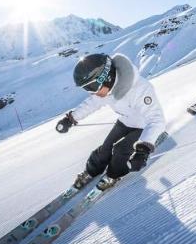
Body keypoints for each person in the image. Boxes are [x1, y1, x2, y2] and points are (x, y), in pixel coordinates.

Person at [56, 53, 166, 191]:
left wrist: (143, 150)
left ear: (106, 78)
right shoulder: (106, 89)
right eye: (87, 88)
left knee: (120, 151)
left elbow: (157, 120)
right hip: (124, 121)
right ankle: (91, 171)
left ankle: (114, 174)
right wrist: (71, 118)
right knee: (105, 149)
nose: (92, 92)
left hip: (143, 127)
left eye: (92, 87)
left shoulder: (140, 89)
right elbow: (91, 103)